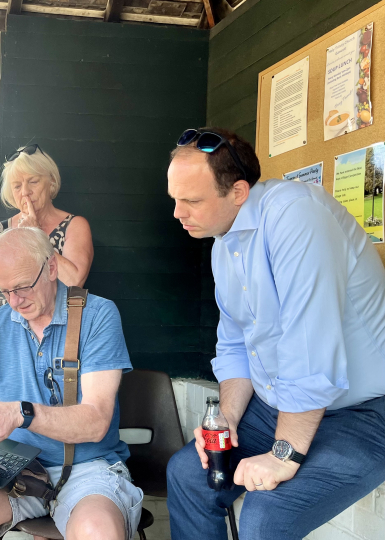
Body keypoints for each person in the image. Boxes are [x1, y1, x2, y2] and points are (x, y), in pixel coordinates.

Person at [165, 127, 385, 539]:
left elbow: (310, 347)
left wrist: (284, 455)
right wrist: (227, 418)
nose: (178, 212)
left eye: (191, 200)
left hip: (363, 413)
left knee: (268, 514)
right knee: (188, 474)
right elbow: (234, 344)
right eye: (175, 198)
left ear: (239, 192)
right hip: (278, 406)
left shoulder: (296, 215)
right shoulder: (221, 243)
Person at [0, 227, 142, 540]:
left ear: (50, 268)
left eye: (22, 287)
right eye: (4, 291)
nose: (14, 301)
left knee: (97, 530)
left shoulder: (97, 315)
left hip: (88, 468)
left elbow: (96, 421)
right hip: (16, 469)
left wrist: (23, 412)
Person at [0, 144, 93, 376]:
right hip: (2, 342)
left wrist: (37, 233)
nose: (25, 192)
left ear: (51, 183)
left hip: (52, 343)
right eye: (17, 186)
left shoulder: (74, 226)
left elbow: (74, 282)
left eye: (33, 182)